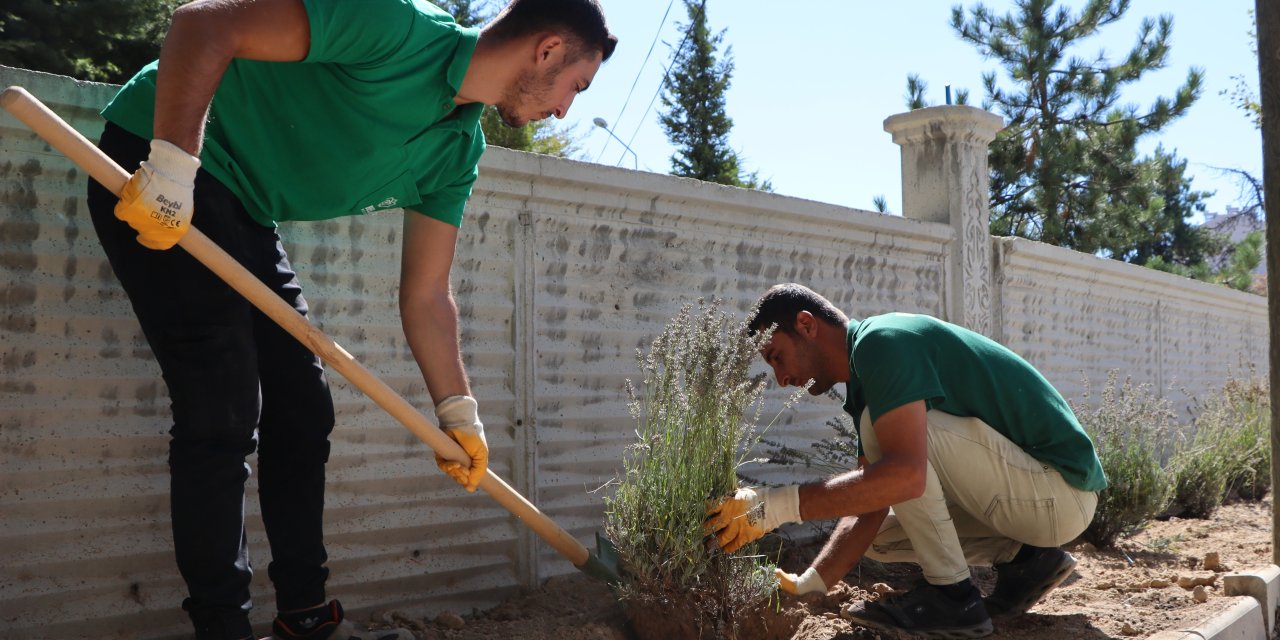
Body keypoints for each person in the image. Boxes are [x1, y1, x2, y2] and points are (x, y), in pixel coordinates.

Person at [83, 1, 616, 638]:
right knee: (221, 410)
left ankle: (306, 617)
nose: (565, 109)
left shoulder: (456, 149)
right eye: (575, 86)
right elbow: (202, 23)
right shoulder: (395, 28)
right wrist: (170, 167)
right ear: (548, 49)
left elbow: (426, 294)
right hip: (158, 161)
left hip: (245, 207)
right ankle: (222, 627)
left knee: (304, 408)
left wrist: (458, 411)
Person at [705, 283, 1107, 639]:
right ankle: (1028, 560)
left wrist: (772, 507)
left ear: (807, 325)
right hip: (1033, 502)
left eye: (777, 357)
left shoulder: (883, 342)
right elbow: (872, 502)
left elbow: (906, 478)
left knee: (892, 453)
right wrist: (812, 582)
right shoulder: (864, 381)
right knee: (879, 538)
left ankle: (953, 598)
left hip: (1061, 489)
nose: (781, 378)